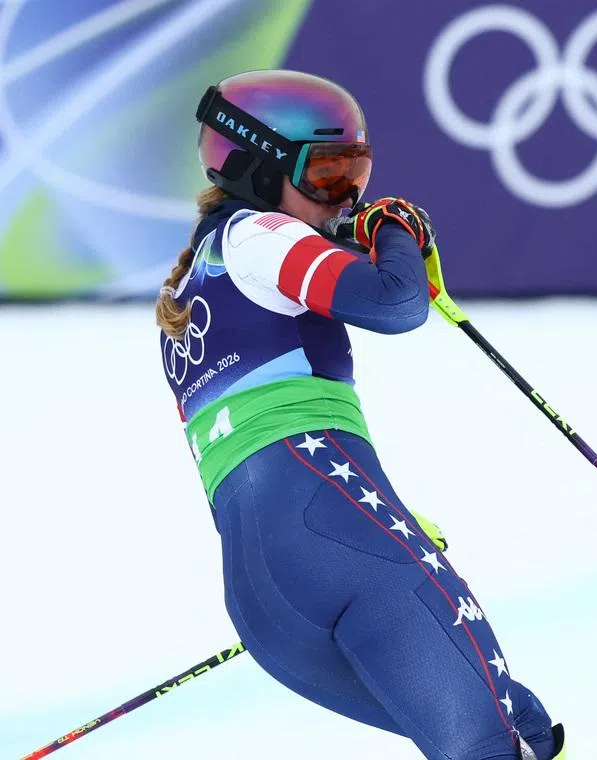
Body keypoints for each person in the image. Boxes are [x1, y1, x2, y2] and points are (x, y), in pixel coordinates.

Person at [155, 69, 566, 760]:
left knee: (522, 727)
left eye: (356, 176)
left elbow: (261, 449)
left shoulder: (198, 282)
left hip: (266, 604)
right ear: (254, 167)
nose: (346, 199)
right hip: (341, 541)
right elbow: (395, 303)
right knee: (494, 742)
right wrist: (397, 226)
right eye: (326, 176)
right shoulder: (262, 237)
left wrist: (374, 516)